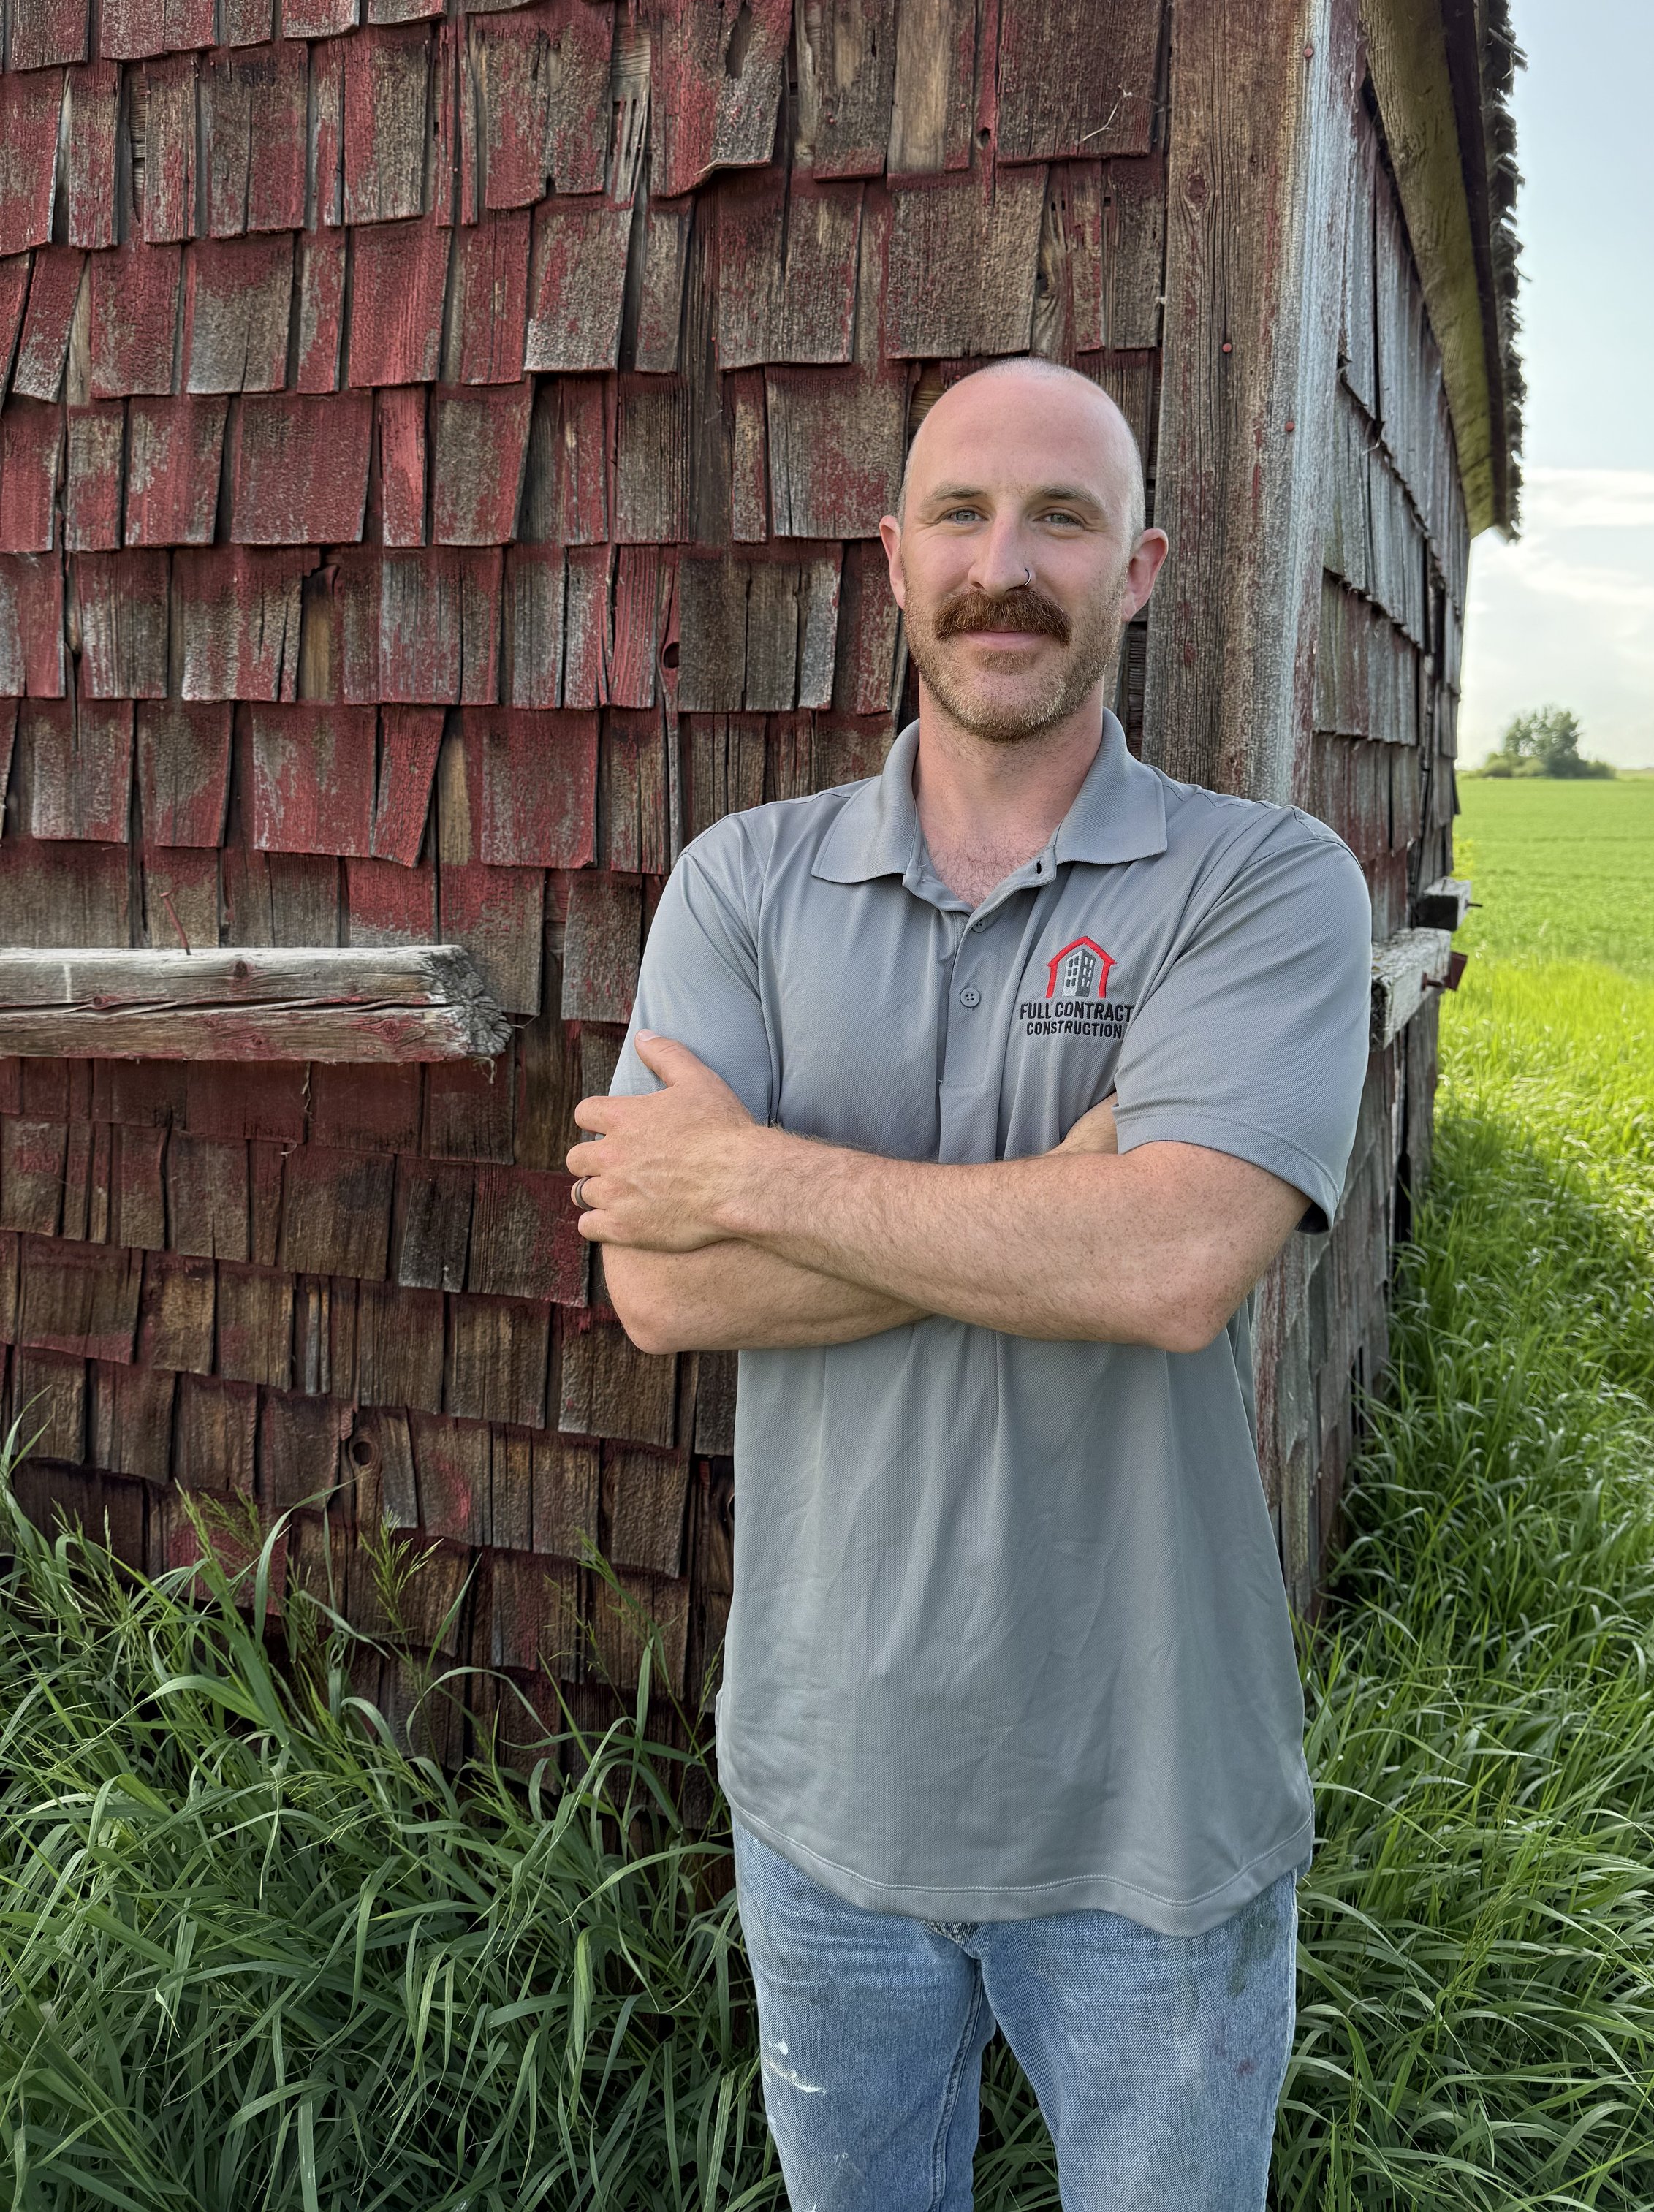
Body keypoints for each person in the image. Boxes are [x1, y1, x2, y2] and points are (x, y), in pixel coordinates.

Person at [567, 358, 1371, 2211]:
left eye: (1061, 519)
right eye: (962, 513)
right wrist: (1060, 1204)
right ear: (893, 554)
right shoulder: (745, 883)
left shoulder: (1258, 881)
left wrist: (754, 1179)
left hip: (1148, 1810)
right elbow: (663, 1296)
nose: (1004, 565)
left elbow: (1175, 1263)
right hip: (824, 1794)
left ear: (1140, 565)